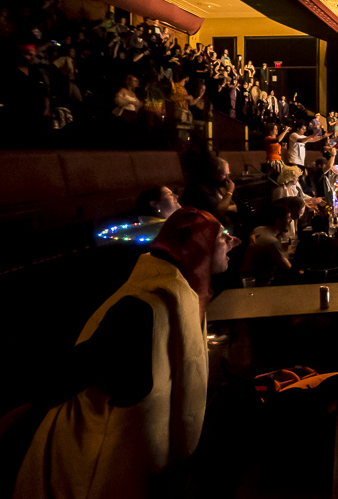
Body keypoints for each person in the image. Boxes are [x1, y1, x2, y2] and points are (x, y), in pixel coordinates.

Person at [15, 209, 239, 498]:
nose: (234, 241)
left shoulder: (178, 295)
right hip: (95, 472)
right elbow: (70, 374)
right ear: (195, 247)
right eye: (221, 236)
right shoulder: (141, 308)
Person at [239, 199, 302, 286]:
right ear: (278, 221)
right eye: (288, 218)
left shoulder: (259, 229)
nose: (290, 220)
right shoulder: (271, 242)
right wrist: (302, 274)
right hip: (259, 284)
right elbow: (286, 267)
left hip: (248, 279)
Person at [180, 157, 237, 224]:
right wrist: (229, 191)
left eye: (228, 174)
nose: (227, 178)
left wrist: (224, 206)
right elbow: (217, 212)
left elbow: (235, 208)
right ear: (213, 173)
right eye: (224, 174)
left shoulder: (216, 186)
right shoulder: (199, 189)